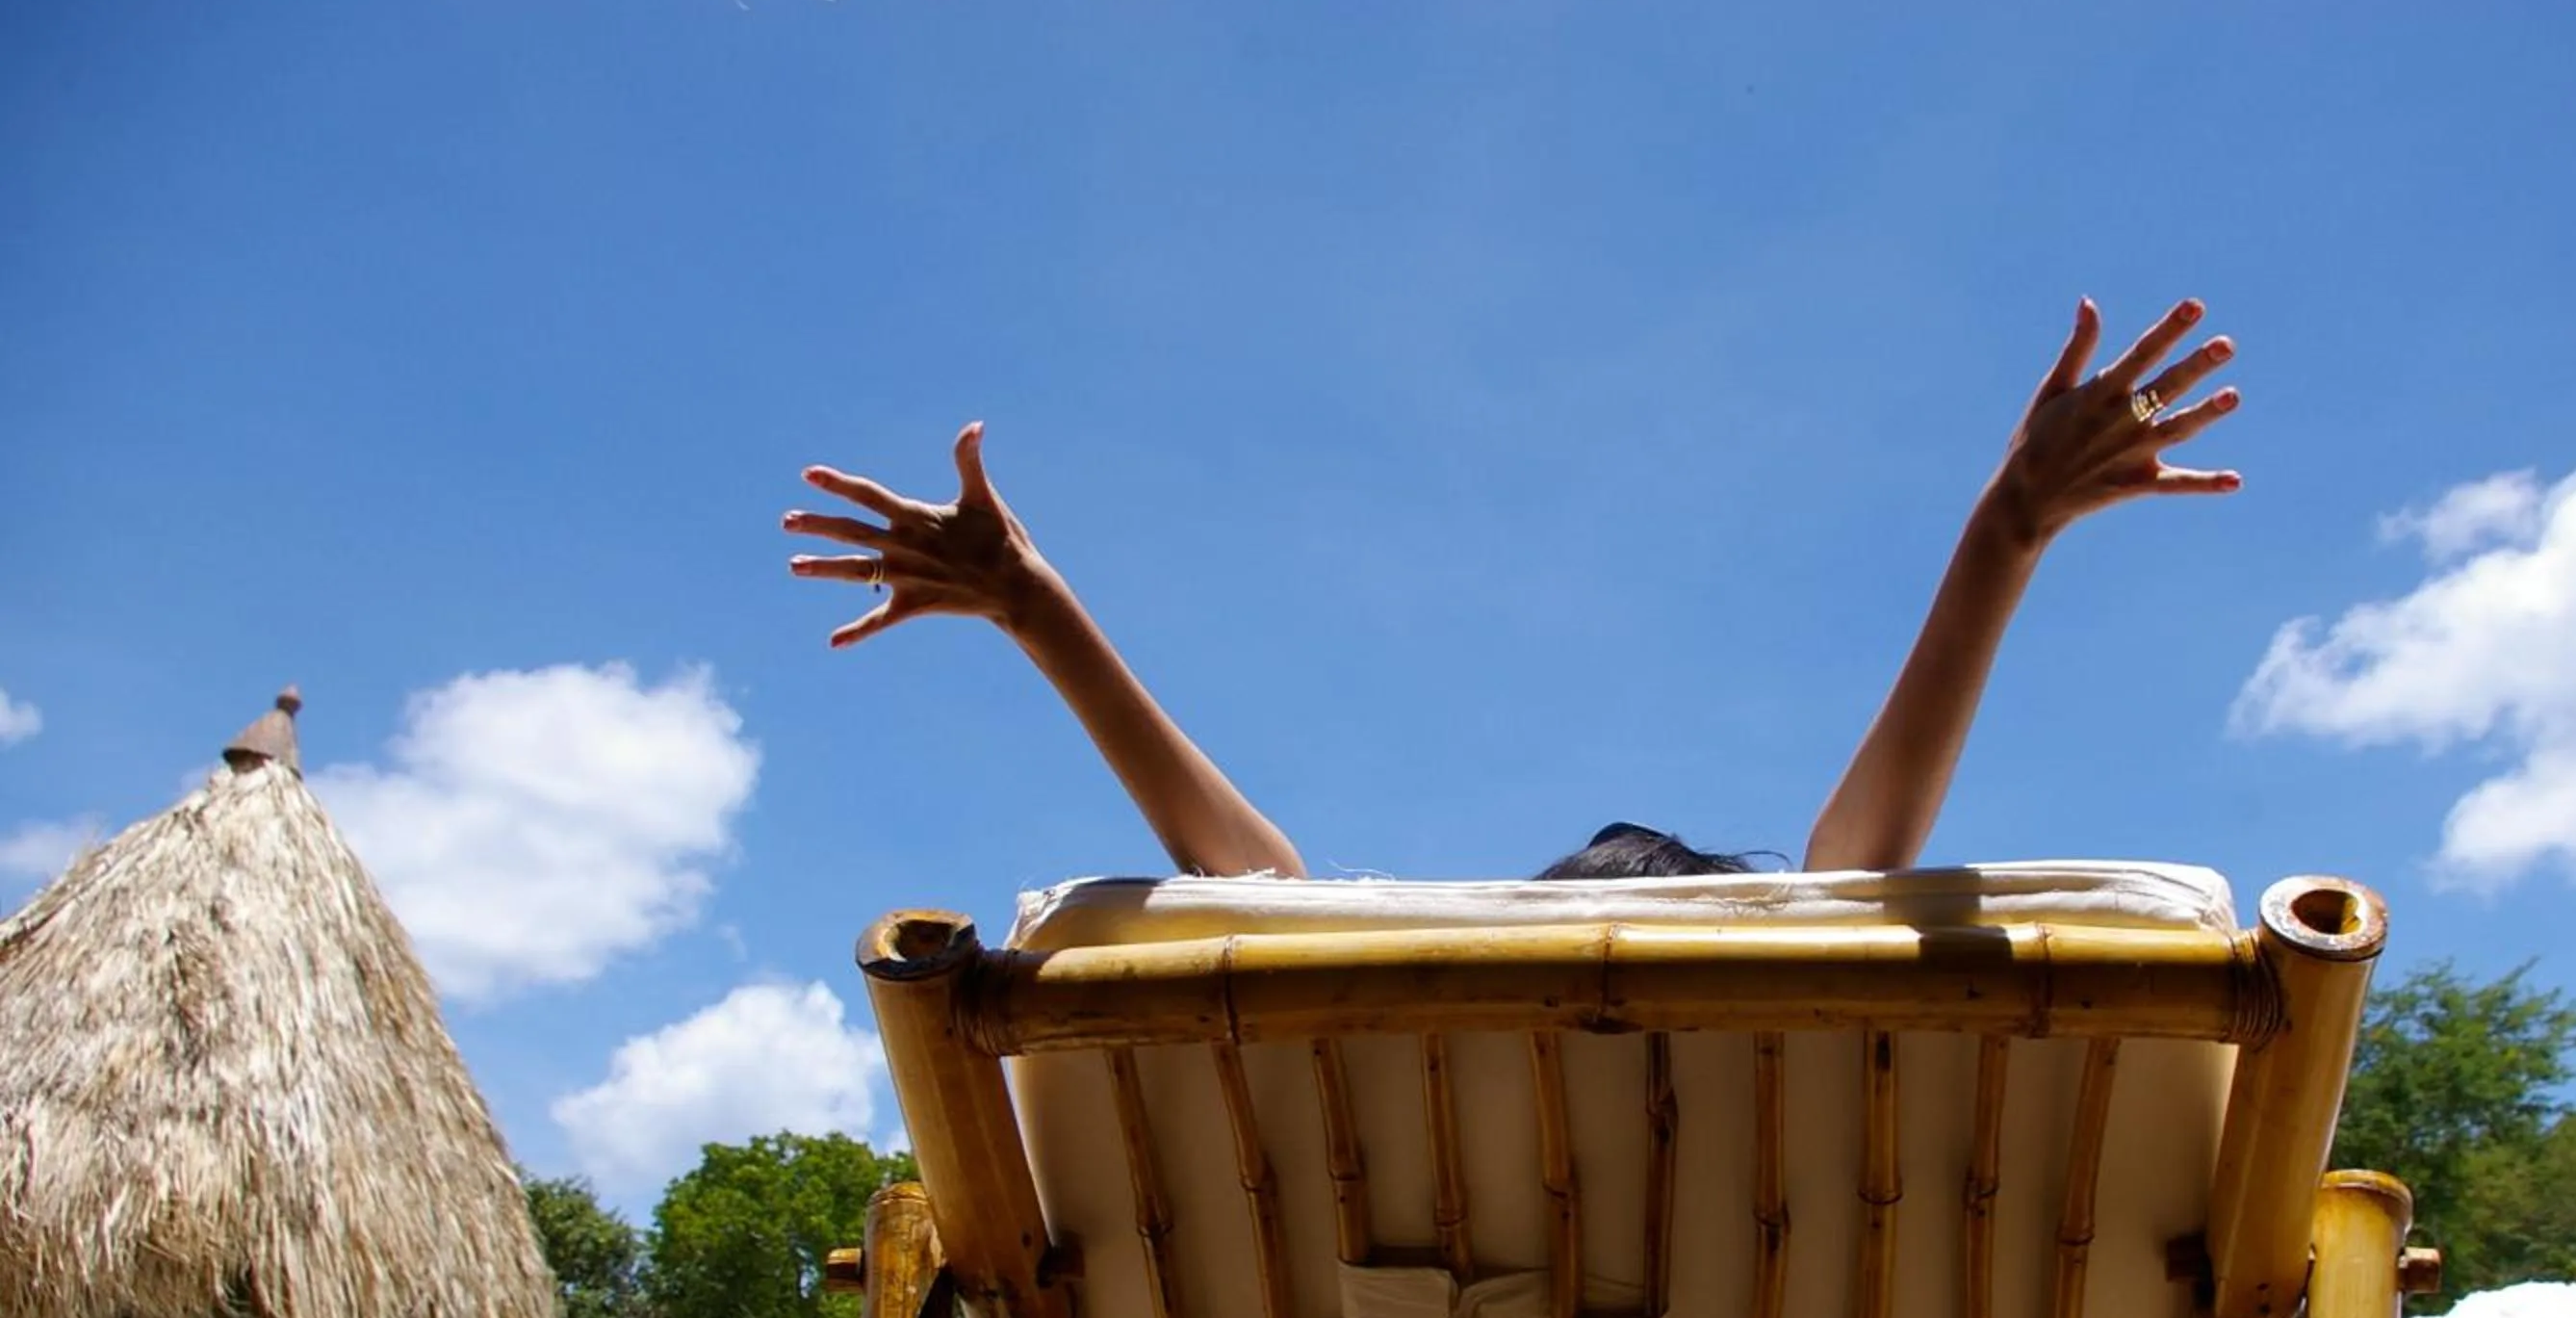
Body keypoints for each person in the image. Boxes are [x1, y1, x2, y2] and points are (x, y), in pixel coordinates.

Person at [784, 297, 2238, 880]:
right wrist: (2006, 529)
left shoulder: (1401, 1113)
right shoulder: (1796, 1097)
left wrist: (1036, 608)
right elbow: (1852, 887)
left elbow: (1261, 901)